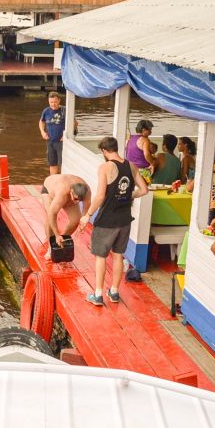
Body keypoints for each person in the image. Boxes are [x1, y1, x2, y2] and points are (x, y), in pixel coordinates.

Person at [79, 136, 149, 306]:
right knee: (119, 256)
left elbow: (100, 195)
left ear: (104, 151)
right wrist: (127, 196)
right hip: (125, 219)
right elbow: (144, 190)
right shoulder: (131, 166)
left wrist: (87, 215)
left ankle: (97, 295)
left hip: (107, 220)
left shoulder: (105, 167)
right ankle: (115, 292)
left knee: (101, 257)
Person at [41, 174, 90, 261]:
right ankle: (50, 246)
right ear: (71, 191)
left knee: (76, 220)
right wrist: (56, 234)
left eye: (80, 201)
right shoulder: (62, 193)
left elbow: (86, 210)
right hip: (49, 190)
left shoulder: (87, 191)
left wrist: (83, 221)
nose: (76, 202)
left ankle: (62, 240)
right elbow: (52, 215)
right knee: (50, 219)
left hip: (67, 192)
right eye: (75, 199)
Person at [39, 91, 77, 175]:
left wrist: (66, 135)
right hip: (50, 141)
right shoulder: (46, 111)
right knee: (52, 163)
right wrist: (42, 132)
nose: (53, 104)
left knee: (63, 164)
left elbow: (75, 123)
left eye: (55, 102)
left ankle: (63, 182)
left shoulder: (65, 110)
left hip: (62, 142)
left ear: (59, 100)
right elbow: (41, 122)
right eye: (51, 102)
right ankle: (54, 182)